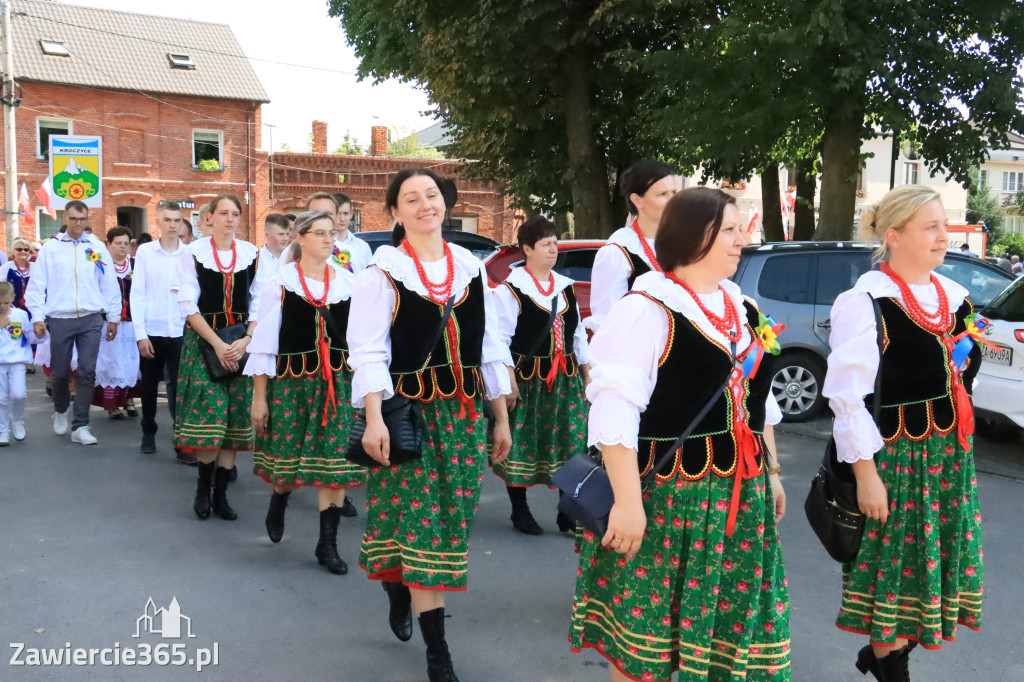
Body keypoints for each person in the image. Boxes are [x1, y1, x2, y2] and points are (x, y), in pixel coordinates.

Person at [570, 187, 790, 682]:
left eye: (740, 229)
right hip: (670, 498)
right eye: (729, 230)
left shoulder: (744, 308)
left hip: (740, 498)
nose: (741, 240)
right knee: (645, 648)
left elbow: (758, 403)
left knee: (725, 642)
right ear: (694, 235)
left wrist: (772, 471)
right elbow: (614, 410)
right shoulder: (648, 307)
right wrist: (627, 503)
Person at [347, 168, 512, 682]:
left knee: (452, 524)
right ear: (394, 212)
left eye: (432, 196)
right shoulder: (383, 273)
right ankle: (438, 654)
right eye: (411, 199)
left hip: (462, 418)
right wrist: (373, 418)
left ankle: (398, 585)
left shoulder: (471, 269)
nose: (425, 205)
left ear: (446, 203)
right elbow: (368, 351)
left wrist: (500, 416)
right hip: (409, 415)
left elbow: (487, 347)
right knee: (425, 528)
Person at [822, 185, 984, 682]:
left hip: (948, 457)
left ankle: (885, 656)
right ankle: (889, 663)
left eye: (943, 225)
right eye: (930, 227)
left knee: (932, 577)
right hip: (894, 460)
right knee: (892, 581)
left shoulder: (955, 298)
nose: (943, 236)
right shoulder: (866, 303)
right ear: (894, 236)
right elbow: (847, 399)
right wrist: (866, 475)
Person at [247, 211, 367, 574]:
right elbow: (265, 344)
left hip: (338, 387)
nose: (329, 239)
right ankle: (279, 499)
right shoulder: (281, 283)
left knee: (336, 466)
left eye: (332, 233)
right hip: (293, 387)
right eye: (320, 233)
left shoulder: (350, 283)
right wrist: (259, 397)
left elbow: (360, 341)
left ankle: (326, 544)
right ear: (301, 238)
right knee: (288, 463)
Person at [492, 216, 591, 534]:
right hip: (528, 382)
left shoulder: (565, 289)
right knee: (521, 444)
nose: (554, 249)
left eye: (554, 243)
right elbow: (499, 341)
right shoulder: (510, 291)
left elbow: (579, 337)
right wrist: (508, 381)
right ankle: (519, 511)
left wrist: (588, 374)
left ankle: (567, 512)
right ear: (527, 249)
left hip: (566, 380)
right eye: (546, 244)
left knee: (571, 444)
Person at [174, 194, 269, 521]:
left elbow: (260, 302)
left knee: (233, 420)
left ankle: (221, 494)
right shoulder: (192, 254)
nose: (230, 219)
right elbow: (188, 305)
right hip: (204, 342)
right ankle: (202, 487)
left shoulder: (253, 254)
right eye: (223, 213)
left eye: (235, 214)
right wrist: (217, 344)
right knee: (209, 415)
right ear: (210, 218)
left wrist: (246, 340)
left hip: (242, 344)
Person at [25, 200, 121, 446]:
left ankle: (81, 425)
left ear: (88, 219)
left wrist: (113, 316)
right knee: (59, 373)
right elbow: (37, 284)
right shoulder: (51, 248)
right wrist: (37, 316)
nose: (79, 224)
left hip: (90, 318)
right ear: (65, 218)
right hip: (59, 318)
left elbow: (108, 281)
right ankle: (60, 409)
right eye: (74, 219)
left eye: (83, 219)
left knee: (88, 371)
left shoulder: (96, 248)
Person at [585, 160, 679, 332]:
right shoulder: (619, 251)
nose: (672, 200)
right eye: (662, 194)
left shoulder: (682, 242)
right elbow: (608, 322)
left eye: (674, 192)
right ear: (637, 200)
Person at [132, 201, 189, 458]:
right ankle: (149, 431)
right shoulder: (145, 252)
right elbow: (138, 294)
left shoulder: (189, 254)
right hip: (153, 329)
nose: (173, 225)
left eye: (177, 220)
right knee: (150, 387)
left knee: (179, 388)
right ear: (158, 222)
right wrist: (140, 334)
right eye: (168, 220)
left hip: (179, 331)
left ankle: (181, 441)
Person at [91, 226, 141, 419]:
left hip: (132, 322)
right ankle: (112, 405)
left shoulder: (135, 265)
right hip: (108, 323)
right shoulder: (101, 266)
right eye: (118, 243)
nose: (122, 247)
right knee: (110, 363)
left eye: (126, 244)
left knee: (131, 361)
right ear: (108, 244)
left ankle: (129, 399)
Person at [0, 281, 45, 445]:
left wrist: (39, 335)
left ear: (13, 298)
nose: (3, 306)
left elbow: (29, 337)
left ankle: (17, 420)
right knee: (1, 399)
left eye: (6, 302)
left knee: (18, 394)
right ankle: (2, 430)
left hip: (17, 361)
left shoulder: (20, 315)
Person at [306, 192, 372, 273]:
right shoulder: (318, 244)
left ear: (351, 214)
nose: (342, 218)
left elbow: (367, 278)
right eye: (338, 213)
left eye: (346, 213)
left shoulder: (363, 247)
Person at [0, 238, 34, 313]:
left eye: (26, 250)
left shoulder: (36, 267)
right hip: (12, 309)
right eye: (19, 249)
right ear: (13, 252)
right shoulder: (6, 267)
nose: (23, 252)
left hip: (32, 308)